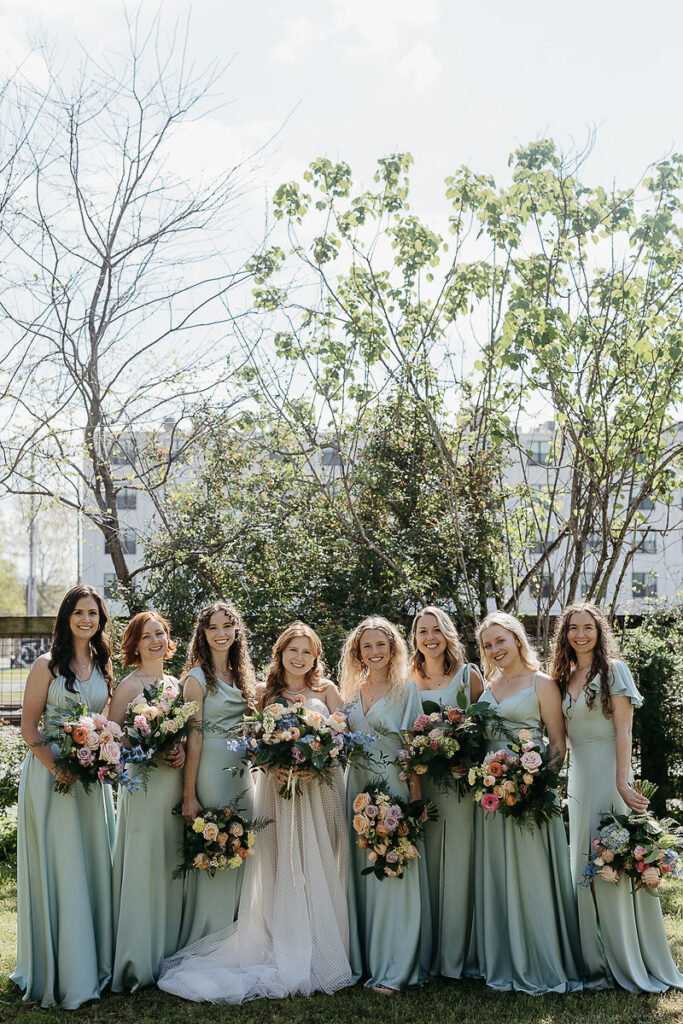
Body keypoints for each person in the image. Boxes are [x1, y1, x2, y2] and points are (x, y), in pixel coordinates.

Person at [158, 621, 353, 1003]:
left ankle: (326, 941)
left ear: (316, 657)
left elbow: (344, 736)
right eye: (292, 650)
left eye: (307, 651)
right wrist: (272, 763)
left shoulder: (326, 690)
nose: (299, 657)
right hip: (279, 791)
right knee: (281, 862)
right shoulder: (265, 694)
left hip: (320, 789)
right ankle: (284, 937)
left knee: (322, 860)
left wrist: (320, 757)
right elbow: (253, 745)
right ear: (280, 653)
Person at [552, 602, 683, 992]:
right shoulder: (564, 676)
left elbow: (625, 732)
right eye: (573, 628)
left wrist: (624, 782)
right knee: (584, 868)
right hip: (578, 780)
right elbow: (561, 739)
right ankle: (595, 960)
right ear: (565, 634)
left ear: (599, 631)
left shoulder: (614, 672)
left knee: (613, 859)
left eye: (587, 627)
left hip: (610, 775)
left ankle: (627, 957)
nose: (580, 634)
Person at [465, 611, 586, 994]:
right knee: (498, 873)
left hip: (530, 794)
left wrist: (534, 785)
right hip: (492, 796)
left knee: (532, 877)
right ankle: (503, 956)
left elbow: (556, 743)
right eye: (488, 645)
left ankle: (539, 957)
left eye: (501, 640)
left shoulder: (543, 683)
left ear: (518, 639)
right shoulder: (488, 685)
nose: (495, 649)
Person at [11, 585, 116, 1009]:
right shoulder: (46, 665)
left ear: (100, 620)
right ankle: (60, 968)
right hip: (51, 778)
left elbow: (104, 720)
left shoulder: (104, 664)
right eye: (78, 612)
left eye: (93, 613)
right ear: (66, 617)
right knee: (61, 865)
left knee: (90, 863)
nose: (86, 620)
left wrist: (99, 753)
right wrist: (59, 767)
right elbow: (29, 727)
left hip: (90, 783)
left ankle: (94, 962)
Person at [341, 615, 431, 994]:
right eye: (367, 646)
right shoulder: (350, 690)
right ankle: (363, 962)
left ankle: (394, 967)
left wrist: (414, 796)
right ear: (358, 653)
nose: (375, 652)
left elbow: (411, 747)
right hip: (355, 789)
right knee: (360, 875)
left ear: (393, 648)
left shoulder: (405, 690)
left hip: (391, 788)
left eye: (382, 644)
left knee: (393, 873)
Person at [109, 611, 186, 990]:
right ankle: (137, 959)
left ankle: (166, 953)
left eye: (160, 634)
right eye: (146, 636)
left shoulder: (176, 682)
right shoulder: (128, 685)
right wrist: (147, 749)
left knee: (169, 861)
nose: (155, 641)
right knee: (143, 862)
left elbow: (186, 730)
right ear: (135, 645)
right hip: (142, 783)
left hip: (172, 782)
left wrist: (181, 750)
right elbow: (113, 740)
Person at [176, 600, 257, 947]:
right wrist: (190, 794)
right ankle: (209, 938)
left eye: (227, 626)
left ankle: (239, 936)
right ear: (203, 634)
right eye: (213, 627)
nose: (221, 633)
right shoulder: (196, 680)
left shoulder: (243, 676)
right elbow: (193, 738)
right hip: (210, 769)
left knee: (243, 847)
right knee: (216, 845)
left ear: (236, 630)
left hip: (242, 772)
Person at [409, 606, 483, 979]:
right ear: (415, 638)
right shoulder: (406, 679)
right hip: (421, 783)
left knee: (458, 864)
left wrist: (468, 763)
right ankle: (428, 951)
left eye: (436, 630)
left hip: (459, 785)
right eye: (422, 631)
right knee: (426, 865)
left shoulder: (468, 676)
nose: (430, 637)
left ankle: (457, 956)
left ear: (447, 634)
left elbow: (485, 730)